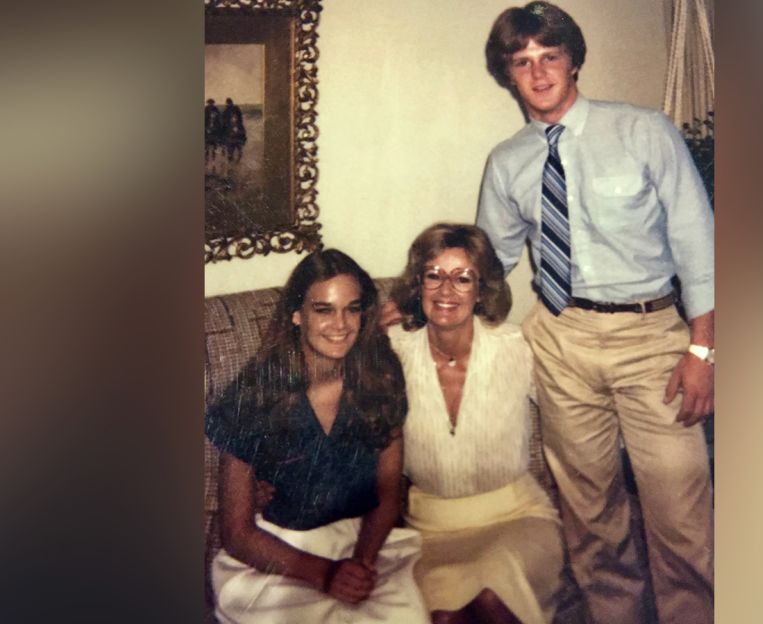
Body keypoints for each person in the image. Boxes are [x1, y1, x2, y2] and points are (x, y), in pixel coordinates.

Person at [476, 3, 715, 623]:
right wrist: (415, 304)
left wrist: (703, 350)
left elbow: (701, 246)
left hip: (652, 338)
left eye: (549, 56)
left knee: (681, 517)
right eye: (521, 62)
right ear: (508, 75)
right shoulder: (507, 162)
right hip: (561, 339)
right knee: (591, 520)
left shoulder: (643, 130)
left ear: (573, 60)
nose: (537, 72)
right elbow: (490, 262)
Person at [205, 249, 430, 623]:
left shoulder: (382, 376)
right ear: (297, 315)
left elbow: (389, 491)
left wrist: (359, 565)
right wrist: (325, 574)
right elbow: (237, 533)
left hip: (365, 542)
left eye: (352, 308)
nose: (340, 324)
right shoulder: (255, 394)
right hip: (281, 555)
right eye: (323, 309)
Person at [386, 223, 564, 624]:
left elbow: (571, 411)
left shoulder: (517, 348)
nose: (446, 290)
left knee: (489, 595)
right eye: (434, 275)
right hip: (429, 530)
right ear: (418, 286)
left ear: (482, 290)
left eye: (463, 278)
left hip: (517, 516)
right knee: (447, 616)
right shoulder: (392, 353)